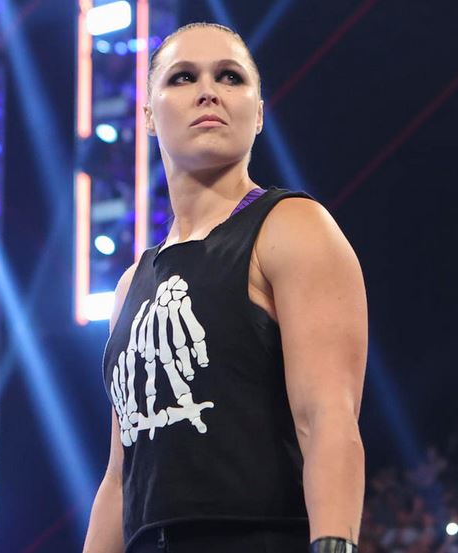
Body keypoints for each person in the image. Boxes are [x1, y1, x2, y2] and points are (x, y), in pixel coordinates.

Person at [83, 22, 368, 553]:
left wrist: (334, 543)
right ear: (148, 115)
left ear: (257, 113)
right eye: (183, 77)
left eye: (230, 76)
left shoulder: (292, 227)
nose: (208, 91)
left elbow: (327, 416)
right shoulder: (130, 285)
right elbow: (121, 478)